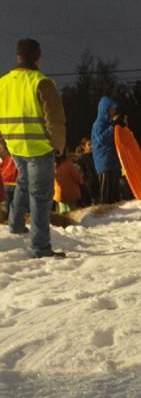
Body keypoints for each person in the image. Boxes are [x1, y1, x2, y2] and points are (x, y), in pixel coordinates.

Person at [0, 38, 66, 258]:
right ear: (38, 56)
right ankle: (40, 247)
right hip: (38, 148)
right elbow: (54, 120)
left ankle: (16, 224)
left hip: (15, 146)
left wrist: (3, 147)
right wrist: (58, 146)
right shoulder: (42, 82)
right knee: (40, 195)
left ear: (18, 56)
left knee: (23, 182)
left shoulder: (4, 83)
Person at [91, 96, 123, 204]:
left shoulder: (109, 124)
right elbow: (102, 139)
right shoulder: (98, 124)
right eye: (111, 109)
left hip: (113, 163)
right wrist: (113, 126)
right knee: (107, 197)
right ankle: (106, 216)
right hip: (105, 164)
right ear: (105, 109)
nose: (114, 111)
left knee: (115, 196)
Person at [77, 137, 100, 205]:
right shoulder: (81, 159)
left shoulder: (96, 155)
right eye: (89, 144)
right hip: (89, 185)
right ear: (84, 147)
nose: (92, 146)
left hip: (97, 182)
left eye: (93, 144)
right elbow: (81, 172)